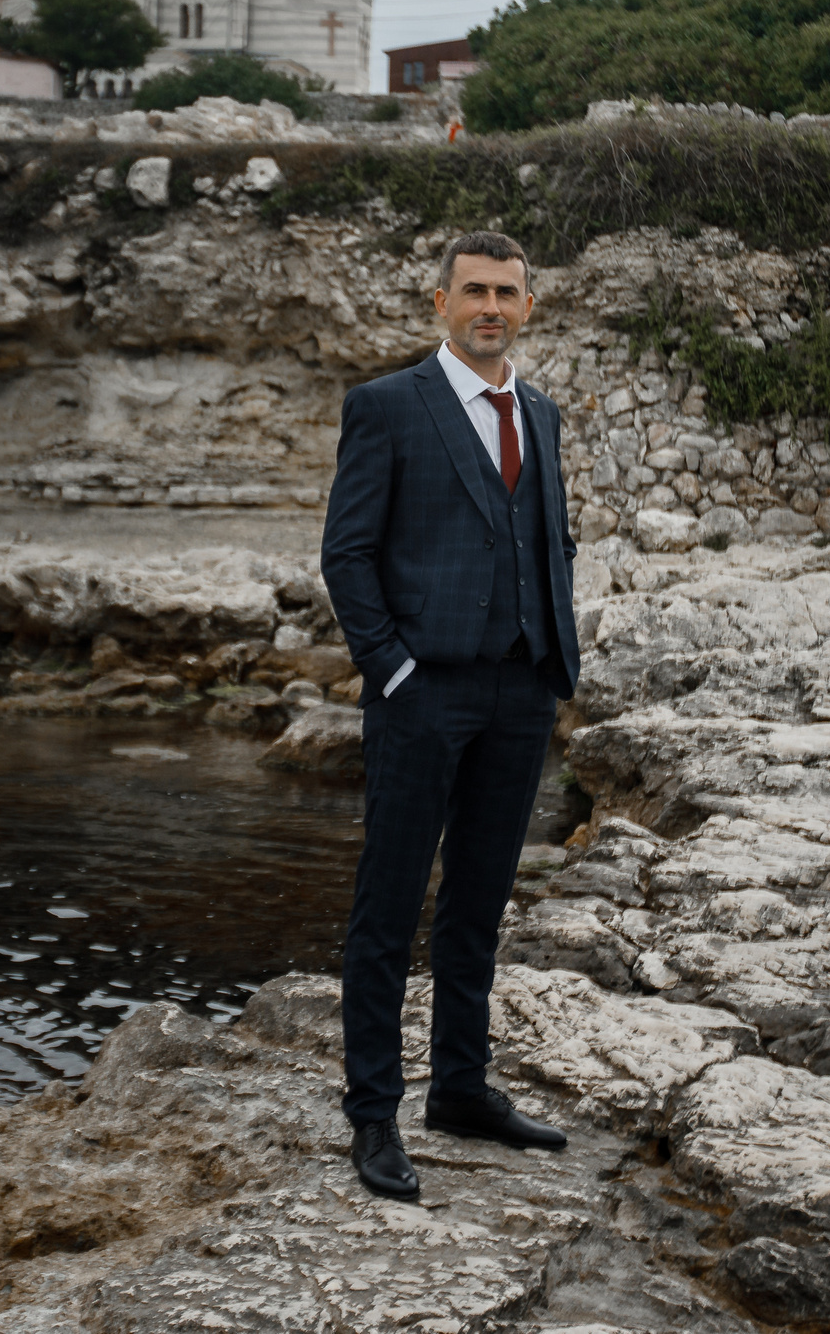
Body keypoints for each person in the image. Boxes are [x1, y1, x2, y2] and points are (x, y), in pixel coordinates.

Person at [318, 229, 581, 1201]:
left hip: (520, 691)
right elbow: (347, 553)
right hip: (421, 692)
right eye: (474, 291)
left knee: (477, 904)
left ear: (527, 306)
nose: (490, 308)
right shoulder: (387, 406)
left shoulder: (540, 413)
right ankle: (373, 1113)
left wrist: (552, 661)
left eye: (506, 292)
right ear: (441, 302)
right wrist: (391, 670)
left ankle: (461, 1088)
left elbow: (548, 540)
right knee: (388, 908)